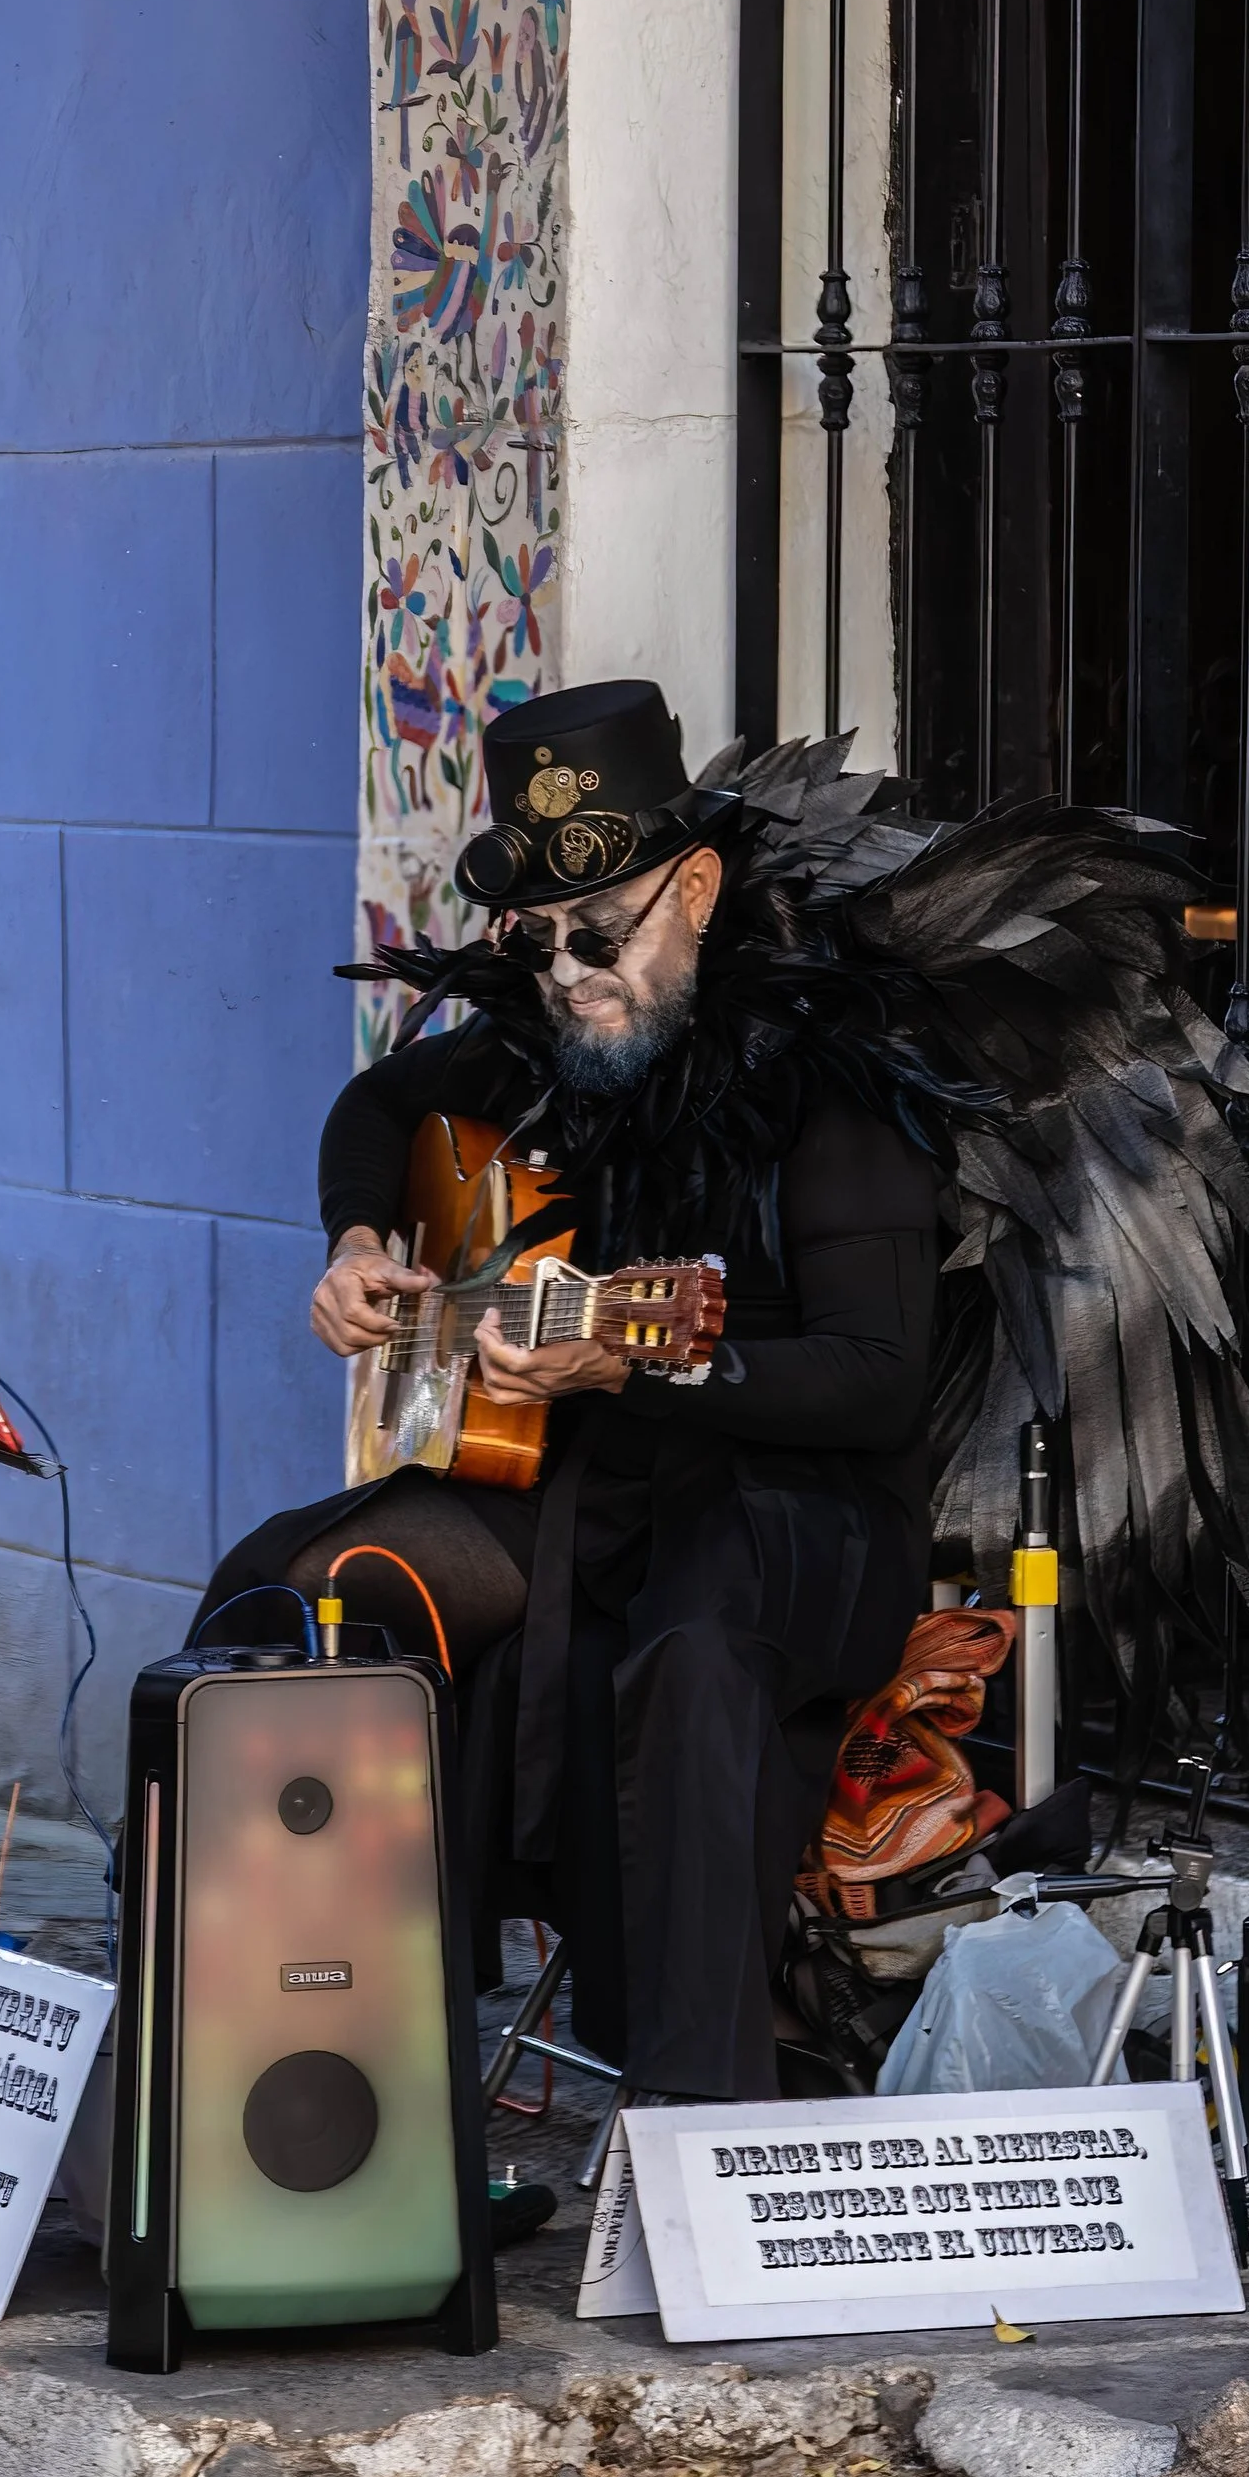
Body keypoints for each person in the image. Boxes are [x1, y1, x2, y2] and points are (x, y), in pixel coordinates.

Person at [197, 680, 950, 2109]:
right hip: (594, 1484)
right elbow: (381, 1110)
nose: (567, 972)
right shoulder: (558, 1034)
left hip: (802, 1505)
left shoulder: (834, 1082)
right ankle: (287, 2075)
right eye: (534, 937)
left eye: (600, 930)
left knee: (689, 1649)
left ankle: (695, 2125)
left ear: (702, 885)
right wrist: (359, 1244)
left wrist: (654, 1358)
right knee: (303, 1588)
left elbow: (876, 1379)